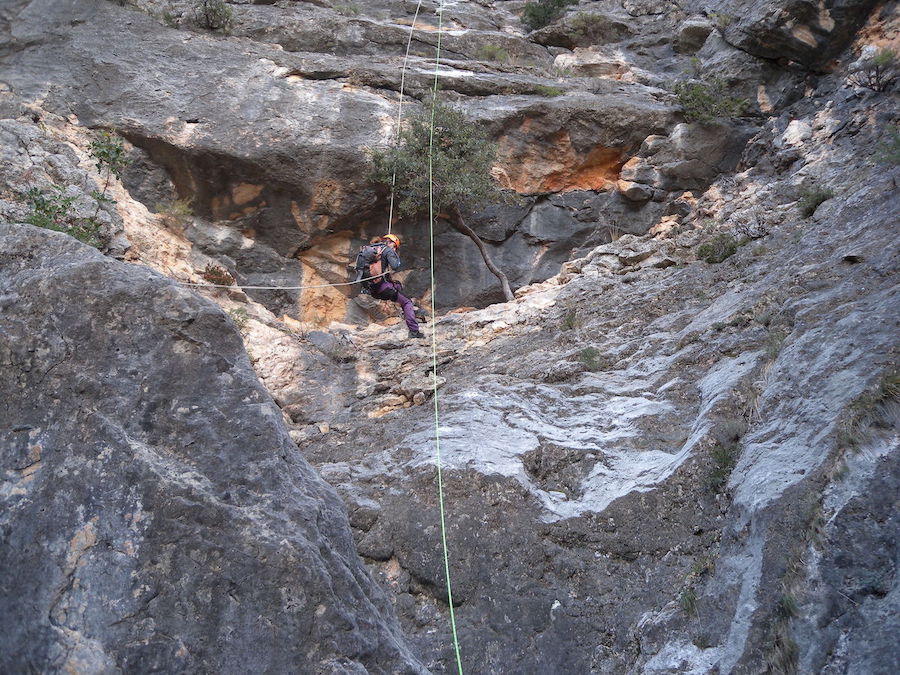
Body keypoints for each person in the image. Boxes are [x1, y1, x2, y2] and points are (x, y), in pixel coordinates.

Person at [361, 234, 425, 339]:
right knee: (407, 302)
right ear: (392, 244)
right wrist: (394, 255)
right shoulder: (387, 250)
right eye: (395, 247)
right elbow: (395, 266)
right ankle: (414, 331)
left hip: (372, 289)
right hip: (383, 288)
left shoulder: (369, 250)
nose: (395, 249)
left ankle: (412, 310)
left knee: (398, 286)